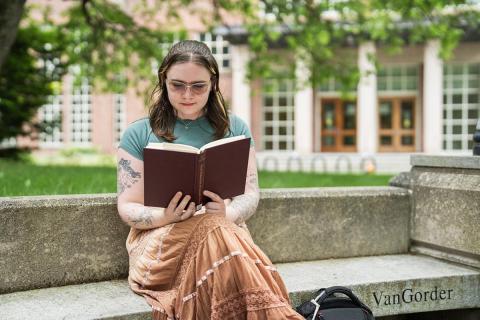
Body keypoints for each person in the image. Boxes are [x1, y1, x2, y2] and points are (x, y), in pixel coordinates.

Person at [117, 40, 303, 320]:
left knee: (214, 227)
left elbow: (250, 194)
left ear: (214, 84)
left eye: (198, 86)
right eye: (177, 85)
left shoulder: (236, 129)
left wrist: (229, 212)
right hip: (162, 242)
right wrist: (166, 215)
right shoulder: (139, 133)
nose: (187, 94)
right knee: (215, 231)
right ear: (163, 80)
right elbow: (127, 206)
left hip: (224, 234)